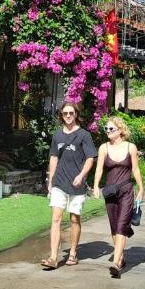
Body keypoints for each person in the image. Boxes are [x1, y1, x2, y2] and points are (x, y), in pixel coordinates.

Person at [42, 101, 96, 270]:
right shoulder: (57, 135)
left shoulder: (84, 135)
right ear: (61, 115)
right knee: (56, 218)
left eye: (71, 113)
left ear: (76, 114)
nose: (68, 116)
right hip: (59, 182)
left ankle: (73, 253)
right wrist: (50, 180)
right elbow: (53, 157)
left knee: (74, 218)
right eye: (65, 113)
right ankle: (53, 257)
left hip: (77, 184)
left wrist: (82, 175)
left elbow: (90, 158)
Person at [92, 116, 144, 278]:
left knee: (122, 224)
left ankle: (115, 262)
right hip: (110, 191)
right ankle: (120, 257)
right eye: (106, 129)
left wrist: (141, 188)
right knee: (114, 226)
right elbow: (99, 169)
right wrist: (95, 186)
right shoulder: (103, 148)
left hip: (126, 190)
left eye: (111, 129)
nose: (108, 131)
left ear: (120, 131)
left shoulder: (131, 147)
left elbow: (135, 169)